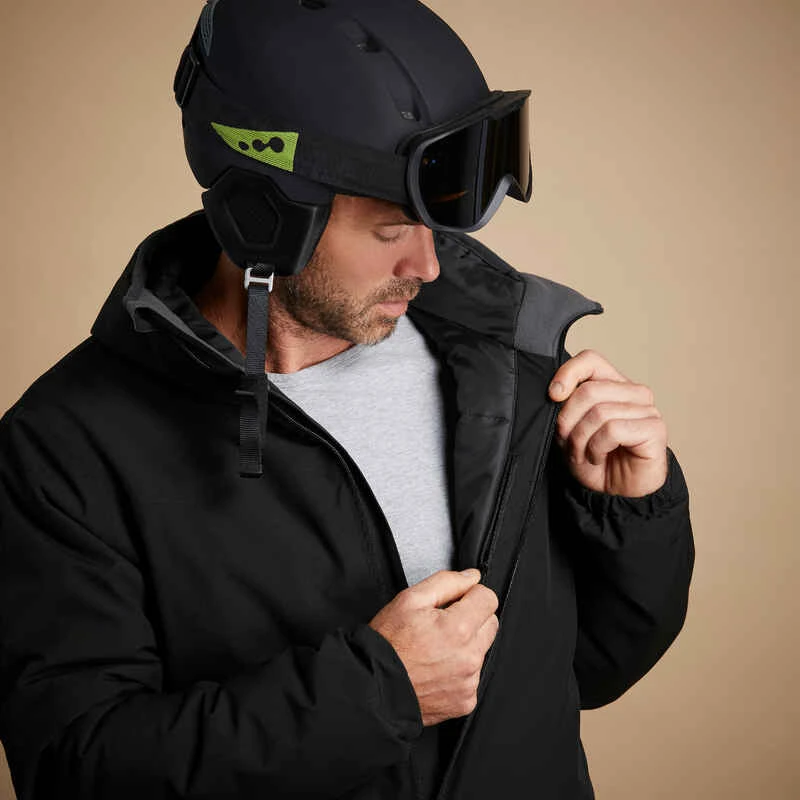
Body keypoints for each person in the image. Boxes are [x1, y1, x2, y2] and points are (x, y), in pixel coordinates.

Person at [0, 1, 694, 798]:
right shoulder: (66, 447)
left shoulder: (503, 364)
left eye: (433, 226)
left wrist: (629, 516)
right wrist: (378, 695)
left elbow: (582, 671)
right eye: (391, 229)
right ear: (261, 218)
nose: (428, 266)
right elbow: (77, 768)